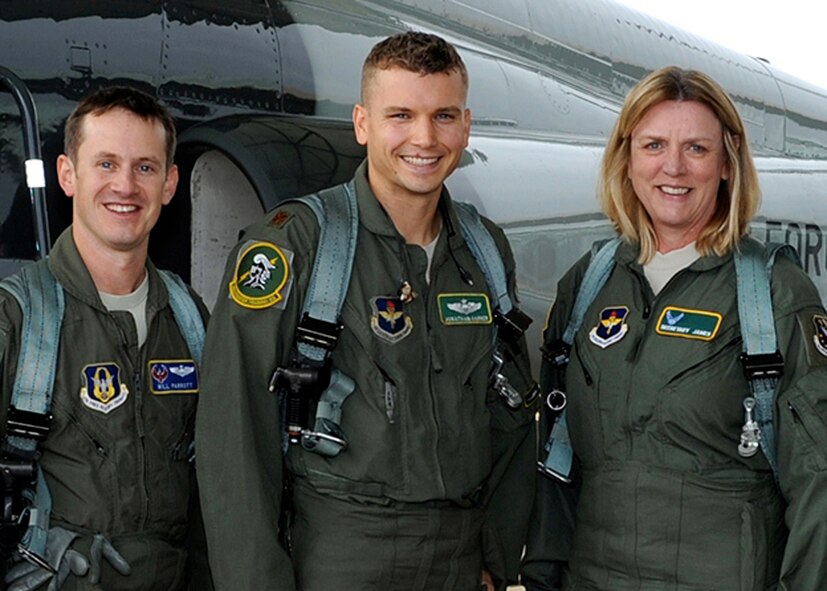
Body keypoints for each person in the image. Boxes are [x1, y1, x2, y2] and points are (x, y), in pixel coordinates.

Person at [196, 31, 536, 591]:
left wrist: (495, 559)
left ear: (466, 125)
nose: (424, 138)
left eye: (443, 115)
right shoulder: (296, 244)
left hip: (458, 556)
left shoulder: (483, 253)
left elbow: (511, 418)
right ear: (361, 123)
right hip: (339, 552)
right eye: (399, 114)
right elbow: (233, 431)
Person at [521, 66, 827, 590]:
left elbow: (818, 480)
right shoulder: (590, 286)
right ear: (628, 157)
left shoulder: (774, 293)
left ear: (728, 162)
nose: (674, 168)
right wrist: (543, 572)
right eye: (654, 145)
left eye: (697, 149)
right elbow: (559, 456)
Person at [0, 86, 211, 590]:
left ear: (169, 183)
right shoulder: (17, 318)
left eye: (144, 167)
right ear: (67, 176)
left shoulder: (191, 321)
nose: (126, 186)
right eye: (106, 164)